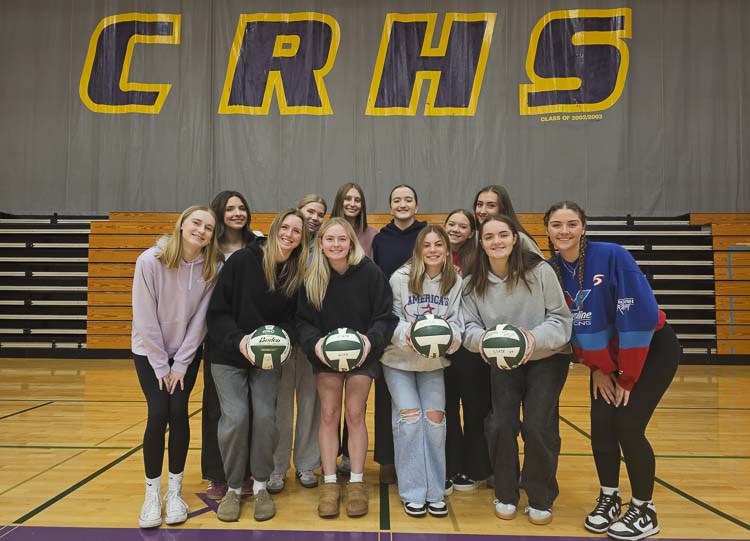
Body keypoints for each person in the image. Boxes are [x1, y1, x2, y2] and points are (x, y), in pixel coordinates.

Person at [545, 201, 680, 540]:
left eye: (571, 224)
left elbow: (639, 315)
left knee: (627, 424)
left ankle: (644, 509)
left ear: (584, 226)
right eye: (557, 225)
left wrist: (628, 376)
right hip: (607, 362)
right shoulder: (551, 270)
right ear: (547, 229)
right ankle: (609, 497)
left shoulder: (612, 255)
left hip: (649, 350)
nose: (564, 231)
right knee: (601, 424)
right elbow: (571, 328)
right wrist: (598, 368)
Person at [462, 215, 572, 525]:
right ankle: (506, 492)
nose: (496, 241)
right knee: (500, 424)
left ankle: (540, 495)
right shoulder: (473, 283)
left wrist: (532, 340)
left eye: (503, 235)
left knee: (538, 427)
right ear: (481, 243)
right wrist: (482, 341)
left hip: (546, 357)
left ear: (514, 239)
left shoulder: (540, 272)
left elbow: (562, 320)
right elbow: (467, 327)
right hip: (502, 359)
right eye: (489, 237)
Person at [206, 209, 308, 522]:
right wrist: (240, 341)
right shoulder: (241, 261)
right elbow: (217, 314)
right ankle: (235, 488)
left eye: (297, 231)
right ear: (275, 228)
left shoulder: (296, 272)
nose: (289, 234)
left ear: (302, 239)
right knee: (236, 417)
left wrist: (281, 340)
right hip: (229, 354)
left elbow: (296, 320)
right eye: (285, 227)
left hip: (268, 357)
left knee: (265, 416)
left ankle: (261, 485)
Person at [297, 218, 397, 518]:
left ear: (351, 242)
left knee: (355, 414)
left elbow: (384, 316)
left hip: (362, 354)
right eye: (330, 239)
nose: (336, 245)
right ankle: (329, 482)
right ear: (321, 243)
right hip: (325, 356)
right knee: (328, 414)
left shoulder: (370, 273)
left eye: (342, 239)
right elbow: (301, 321)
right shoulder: (312, 276)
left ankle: (356, 481)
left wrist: (370, 341)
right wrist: (315, 344)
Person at [132, 206, 221, 529]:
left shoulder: (212, 266)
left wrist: (181, 363)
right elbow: (144, 318)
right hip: (149, 353)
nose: (201, 230)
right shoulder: (149, 261)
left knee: (179, 412)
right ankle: (152, 493)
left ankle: (176, 492)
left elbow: (201, 321)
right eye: (196, 223)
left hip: (185, 353)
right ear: (182, 225)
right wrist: (161, 366)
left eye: (208, 227)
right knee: (158, 413)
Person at [381, 225, 463, 517]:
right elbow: (388, 319)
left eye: (438, 245)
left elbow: (457, 325)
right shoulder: (400, 279)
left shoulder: (455, 281)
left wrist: (443, 341)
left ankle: (435, 489)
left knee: (435, 418)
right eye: (426, 245)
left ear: (446, 249)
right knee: (411, 418)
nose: (432, 250)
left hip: (432, 363)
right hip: (398, 361)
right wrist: (412, 334)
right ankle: (413, 491)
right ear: (418, 250)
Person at [202, 190, 260, 501]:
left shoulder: (257, 245)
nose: (237, 212)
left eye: (241, 207)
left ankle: (246, 472)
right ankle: (217, 474)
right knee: (218, 410)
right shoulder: (207, 249)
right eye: (230, 208)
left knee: (251, 409)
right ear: (219, 213)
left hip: (254, 339)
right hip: (220, 338)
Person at [267, 195, 327, 493]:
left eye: (319, 214)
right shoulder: (274, 254)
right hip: (279, 343)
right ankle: (277, 468)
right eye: (309, 212)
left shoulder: (319, 254)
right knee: (280, 409)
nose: (313, 217)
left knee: (309, 405)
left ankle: (306, 463)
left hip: (307, 342)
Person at [371, 184, 427, 484]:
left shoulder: (427, 235)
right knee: (386, 395)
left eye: (408, 199)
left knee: (423, 398)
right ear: (390, 206)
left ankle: (421, 457)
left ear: (416, 205)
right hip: (391, 324)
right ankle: (387, 460)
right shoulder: (381, 239)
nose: (402, 204)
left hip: (426, 323)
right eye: (396, 200)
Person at [441, 209, 491, 493]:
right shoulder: (434, 254)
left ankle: (474, 469)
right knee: (447, 408)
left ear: (472, 232)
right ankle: (449, 467)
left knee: (474, 410)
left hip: (471, 347)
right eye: (452, 224)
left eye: (463, 226)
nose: (456, 229)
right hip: (445, 346)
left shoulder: (479, 259)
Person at [473, 185, 542, 257]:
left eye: (491, 206)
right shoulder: (473, 238)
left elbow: (542, 267)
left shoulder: (520, 238)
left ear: (503, 208)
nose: (482, 211)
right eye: (479, 204)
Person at [330, 182, 378, 258]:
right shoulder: (326, 231)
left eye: (357, 200)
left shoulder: (372, 233)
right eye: (348, 199)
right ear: (339, 202)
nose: (352, 204)